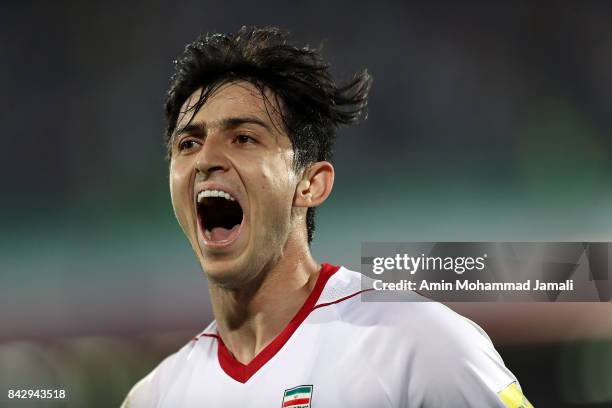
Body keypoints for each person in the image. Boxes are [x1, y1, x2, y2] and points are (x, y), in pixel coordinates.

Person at [122, 26, 532, 408]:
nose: (206, 160)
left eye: (244, 138)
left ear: (310, 183)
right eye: (189, 143)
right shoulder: (156, 397)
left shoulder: (421, 347)